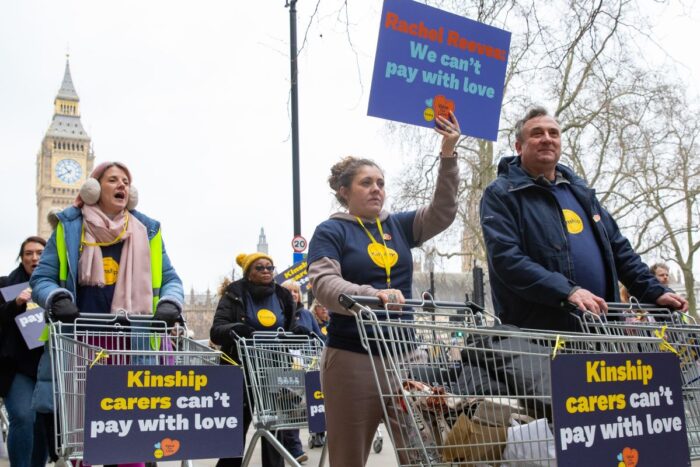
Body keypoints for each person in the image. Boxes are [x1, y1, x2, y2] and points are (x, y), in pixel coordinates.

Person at [307, 111, 460, 466]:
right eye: (366, 183)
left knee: (424, 452)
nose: (376, 188)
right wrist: (370, 295)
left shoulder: (400, 226)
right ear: (344, 192)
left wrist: (449, 154)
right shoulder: (332, 232)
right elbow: (325, 283)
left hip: (406, 357)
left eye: (380, 182)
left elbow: (443, 211)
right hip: (352, 359)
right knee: (349, 458)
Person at [29, 161, 184, 467]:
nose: (122, 185)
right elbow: (41, 278)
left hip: (132, 344)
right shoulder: (68, 228)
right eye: (113, 180)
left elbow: (171, 280)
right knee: (83, 440)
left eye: (126, 181)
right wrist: (57, 297)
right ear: (94, 189)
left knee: (130, 439)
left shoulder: (147, 231)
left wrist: (169, 302)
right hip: (82, 346)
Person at [480, 106, 688, 332]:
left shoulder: (581, 194)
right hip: (540, 338)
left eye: (554, 133)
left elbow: (619, 250)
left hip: (600, 330)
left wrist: (654, 291)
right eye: (537, 133)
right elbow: (507, 259)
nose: (547, 139)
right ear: (519, 147)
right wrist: (567, 291)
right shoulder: (501, 194)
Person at [210, 252, 297, 467]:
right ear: (248, 272)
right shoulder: (234, 294)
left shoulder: (283, 295)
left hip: (274, 370)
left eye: (270, 267)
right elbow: (216, 331)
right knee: (236, 428)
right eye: (260, 267)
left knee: (273, 429)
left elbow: (292, 328)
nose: (267, 271)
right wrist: (237, 329)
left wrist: (298, 332)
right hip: (241, 369)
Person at [0, 236, 49, 467]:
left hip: (48, 366)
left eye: (40, 252)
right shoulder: (6, 285)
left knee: (42, 423)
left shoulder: (57, 287)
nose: (34, 258)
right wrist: (15, 304)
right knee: (23, 416)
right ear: (21, 258)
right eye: (28, 253)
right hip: (16, 367)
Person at [279, 279, 320, 464]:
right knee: (290, 408)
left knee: (300, 408)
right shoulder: (278, 314)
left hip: (305, 365)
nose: (293, 295)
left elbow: (315, 335)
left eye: (296, 292)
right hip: (284, 366)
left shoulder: (305, 314)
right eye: (289, 292)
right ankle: (294, 448)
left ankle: (300, 443)